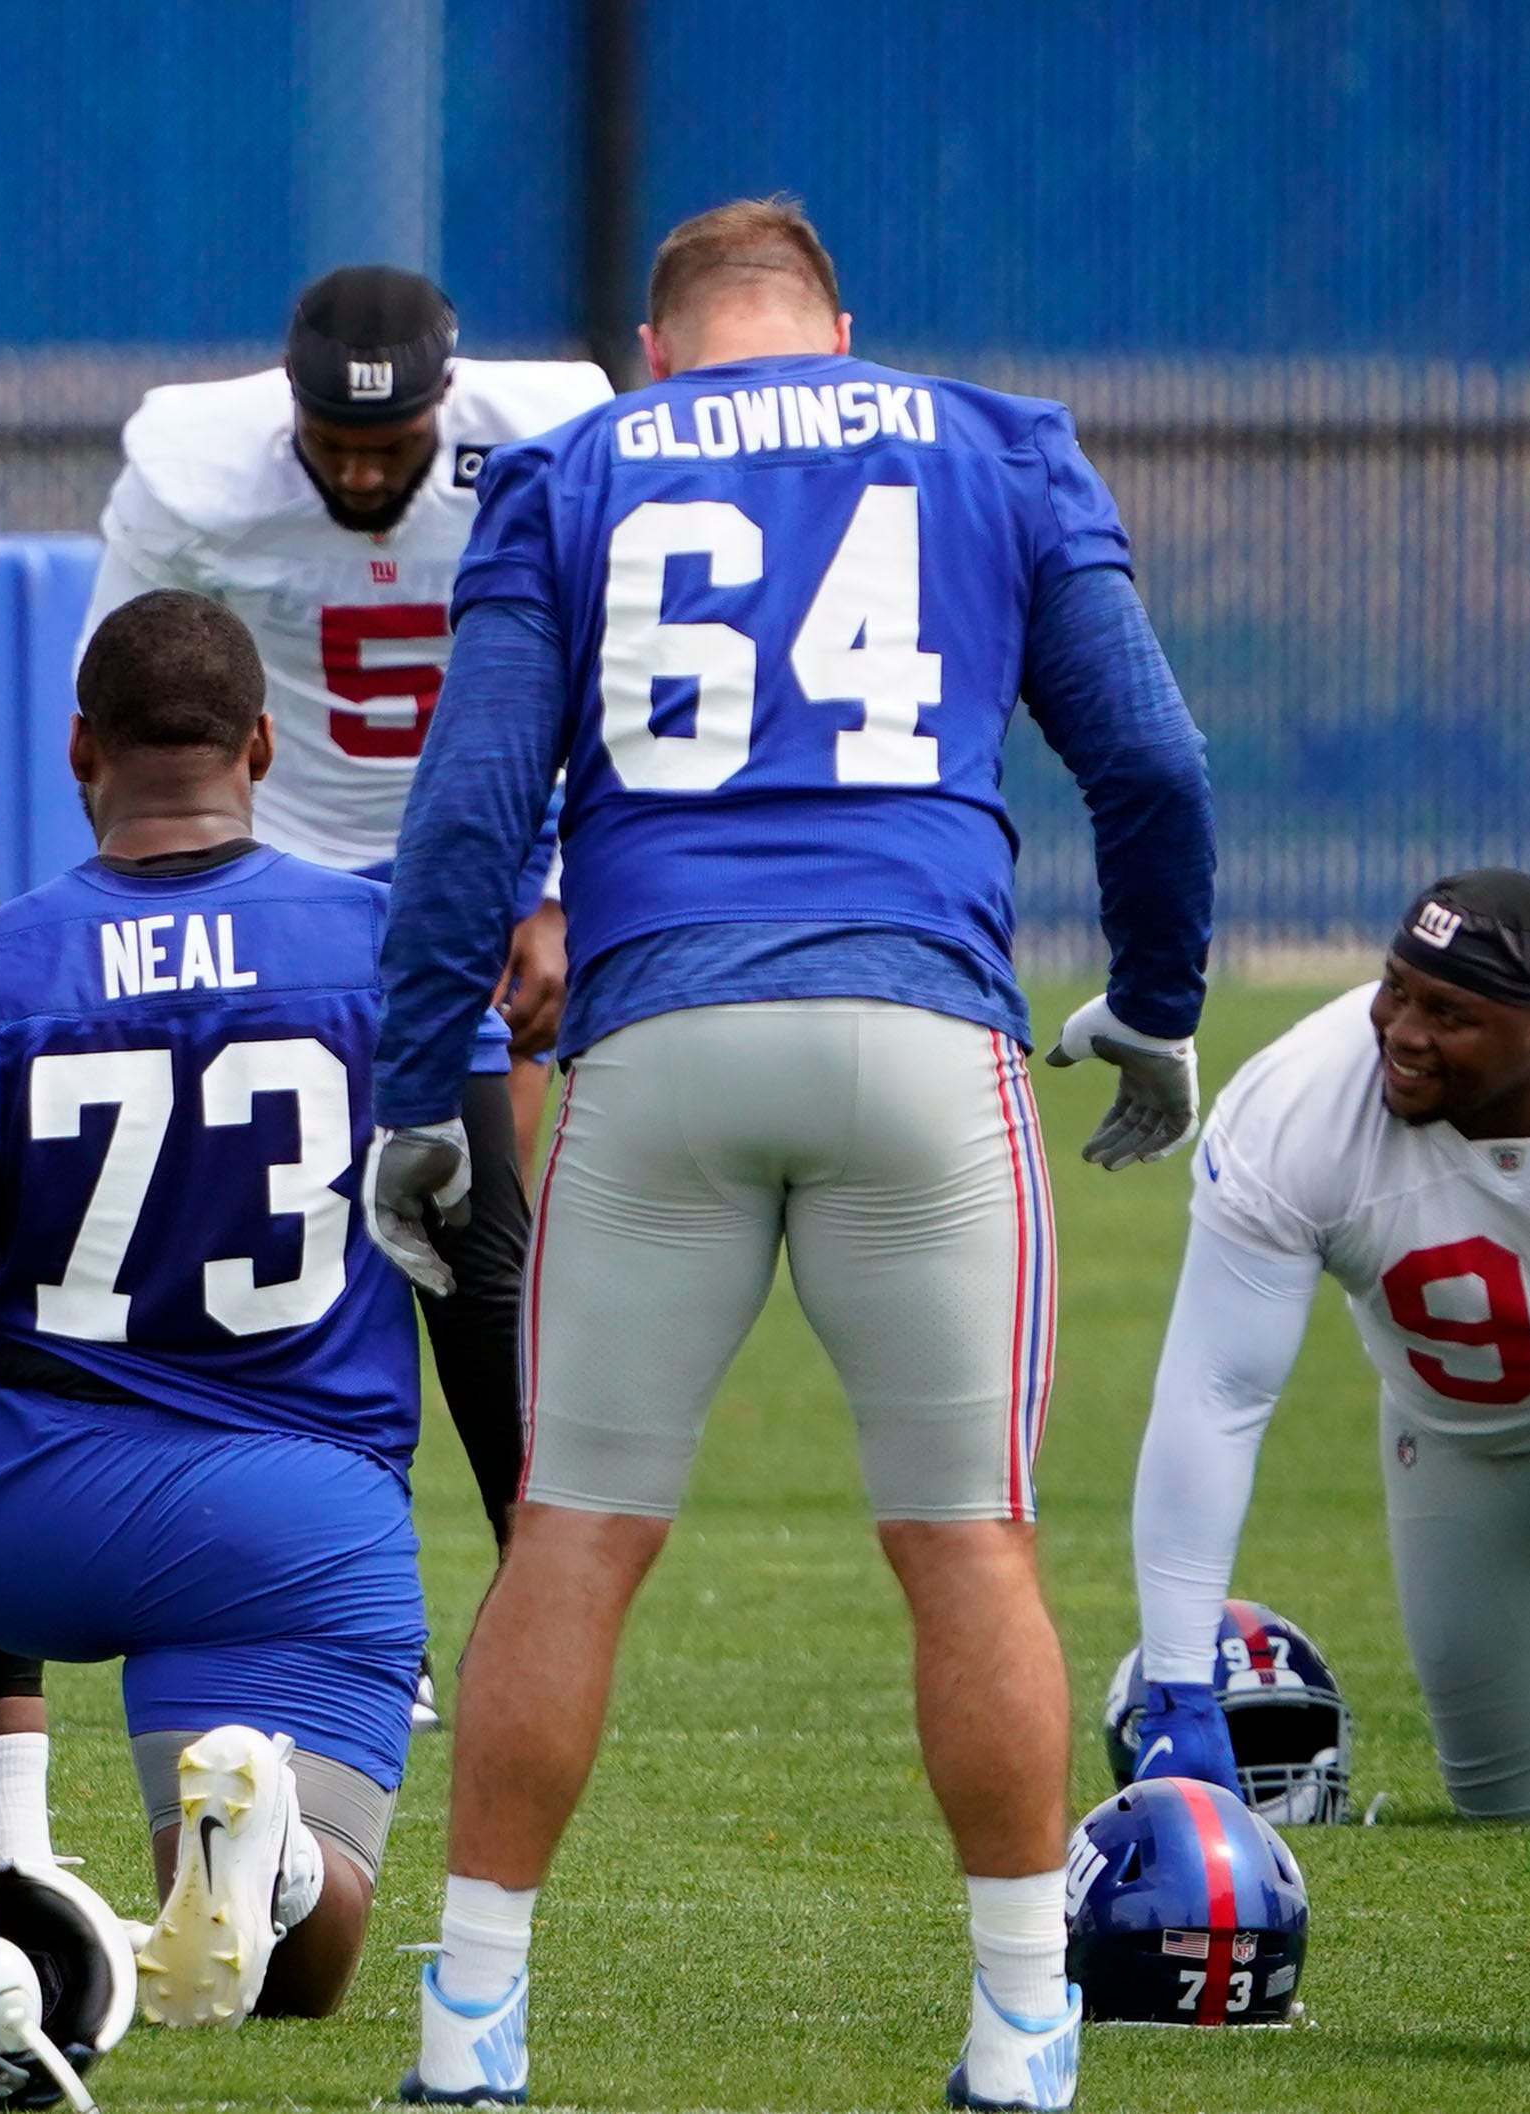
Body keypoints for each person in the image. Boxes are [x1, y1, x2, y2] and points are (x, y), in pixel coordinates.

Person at [364, 198, 1216, 2109]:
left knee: (571, 1535)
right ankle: (1020, 2027)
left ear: (658, 352)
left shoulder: (576, 465)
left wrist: (422, 1080)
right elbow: (1151, 761)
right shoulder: (996, 443)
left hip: (658, 1034)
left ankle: (469, 2020)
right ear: (841, 332)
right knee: (969, 1542)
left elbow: (473, 803)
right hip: (920, 1029)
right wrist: (1158, 998)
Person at [0, 590, 522, 2026]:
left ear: (77, 750)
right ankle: (275, 1857)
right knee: (302, 1969)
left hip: (29, 1512)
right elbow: (480, 1274)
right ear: (260, 744)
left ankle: (11, 1867)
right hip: (293, 1518)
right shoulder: (393, 952)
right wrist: (525, 1537)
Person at [78, 267, 596, 1666]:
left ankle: (530, 1606)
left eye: (392, 443)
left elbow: (601, 670)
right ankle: (341, 1592)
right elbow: (118, 697)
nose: (362, 470)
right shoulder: (195, 466)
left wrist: (556, 883)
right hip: (278, 874)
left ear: (448, 399)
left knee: (471, 1249)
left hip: (470, 869)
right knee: (288, 1257)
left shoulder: (546, 440)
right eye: (334, 442)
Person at [1125, 871, 1530, 1824]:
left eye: (1449, 1013)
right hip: (1474, 1441)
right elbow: (1216, 1396)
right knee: (1529, 1806)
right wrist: (1177, 1688)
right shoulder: (1299, 1106)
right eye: (1396, 988)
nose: (1401, 1030)